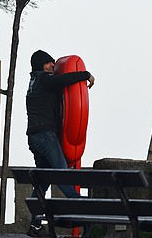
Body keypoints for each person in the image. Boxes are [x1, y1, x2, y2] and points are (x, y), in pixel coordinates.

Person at [25, 50, 95, 237]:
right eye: (48, 63)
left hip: (34, 137)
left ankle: (35, 226)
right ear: (41, 65)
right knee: (62, 175)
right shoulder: (44, 80)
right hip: (46, 137)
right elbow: (61, 81)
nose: (52, 66)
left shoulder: (33, 83)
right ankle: (83, 209)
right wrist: (85, 75)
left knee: (42, 184)